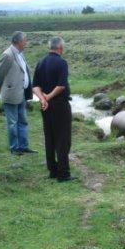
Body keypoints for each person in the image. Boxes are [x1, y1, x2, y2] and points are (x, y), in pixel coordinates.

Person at [32, 37, 76, 182]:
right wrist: (49, 97)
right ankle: (63, 174)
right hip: (59, 105)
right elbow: (61, 85)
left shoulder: (41, 62)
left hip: (45, 107)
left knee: (49, 137)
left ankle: (52, 170)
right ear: (60, 48)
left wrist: (43, 99)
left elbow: (35, 86)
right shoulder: (62, 63)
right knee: (63, 139)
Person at [0, 31, 36, 155]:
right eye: (25, 41)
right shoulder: (8, 55)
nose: (26, 43)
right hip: (11, 94)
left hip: (21, 93)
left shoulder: (20, 53)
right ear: (18, 41)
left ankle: (23, 146)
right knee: (13, 123)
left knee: (23, 121)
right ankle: (14, 148)